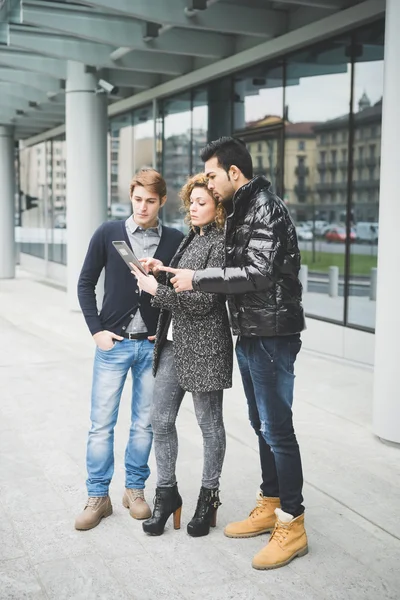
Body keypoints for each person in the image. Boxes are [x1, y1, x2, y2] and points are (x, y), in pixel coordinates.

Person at [160, 137, 308, 570]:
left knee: (277, 429)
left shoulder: (264, 206)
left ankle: (292, 522)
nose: (206, 182)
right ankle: (271, 501)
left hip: (273, 333)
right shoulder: (244, 208)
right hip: (251, 332)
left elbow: (259, 273)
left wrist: (198, 279)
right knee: (261, 423)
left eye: (210, 174)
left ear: (233, 173)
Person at [75, 168, 184, 531]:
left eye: (150, 201)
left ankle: (134, 491)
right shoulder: (108, 232)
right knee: (101, 425)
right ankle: (98, 496)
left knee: (144, 425)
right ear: (131, 196)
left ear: (162, 201)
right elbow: (85, 283)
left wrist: (164, 331)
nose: (142, 206)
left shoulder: (175, 240)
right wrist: (96, 331)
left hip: (153, 350)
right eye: (137, 199)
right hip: (114, 346)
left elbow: (181, 295)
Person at [130, 173, 233, 538]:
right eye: (191, 201)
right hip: (173, 344)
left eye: (202, 202)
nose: (193, 207)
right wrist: (160, 272)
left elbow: (205, 301)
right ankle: (167, 494)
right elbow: (181, 280)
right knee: (160, 420)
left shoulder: (221, 243)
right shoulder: (193, 237)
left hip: (206, 348)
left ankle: (208, 497)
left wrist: (153, 290)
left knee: (209, 426)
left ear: (219, 207)